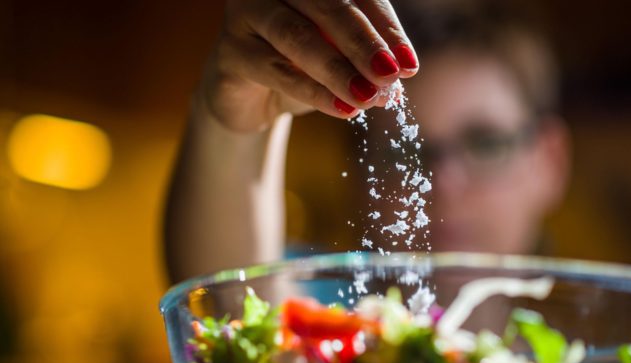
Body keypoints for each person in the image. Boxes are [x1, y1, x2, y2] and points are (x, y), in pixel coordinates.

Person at [164, 0, 569, 283]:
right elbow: (232, 294)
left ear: (549, 161)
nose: (442, 182)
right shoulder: (321, 314)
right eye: (401, 151)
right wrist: (232, 125)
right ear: (358, 176)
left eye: (484, 144)